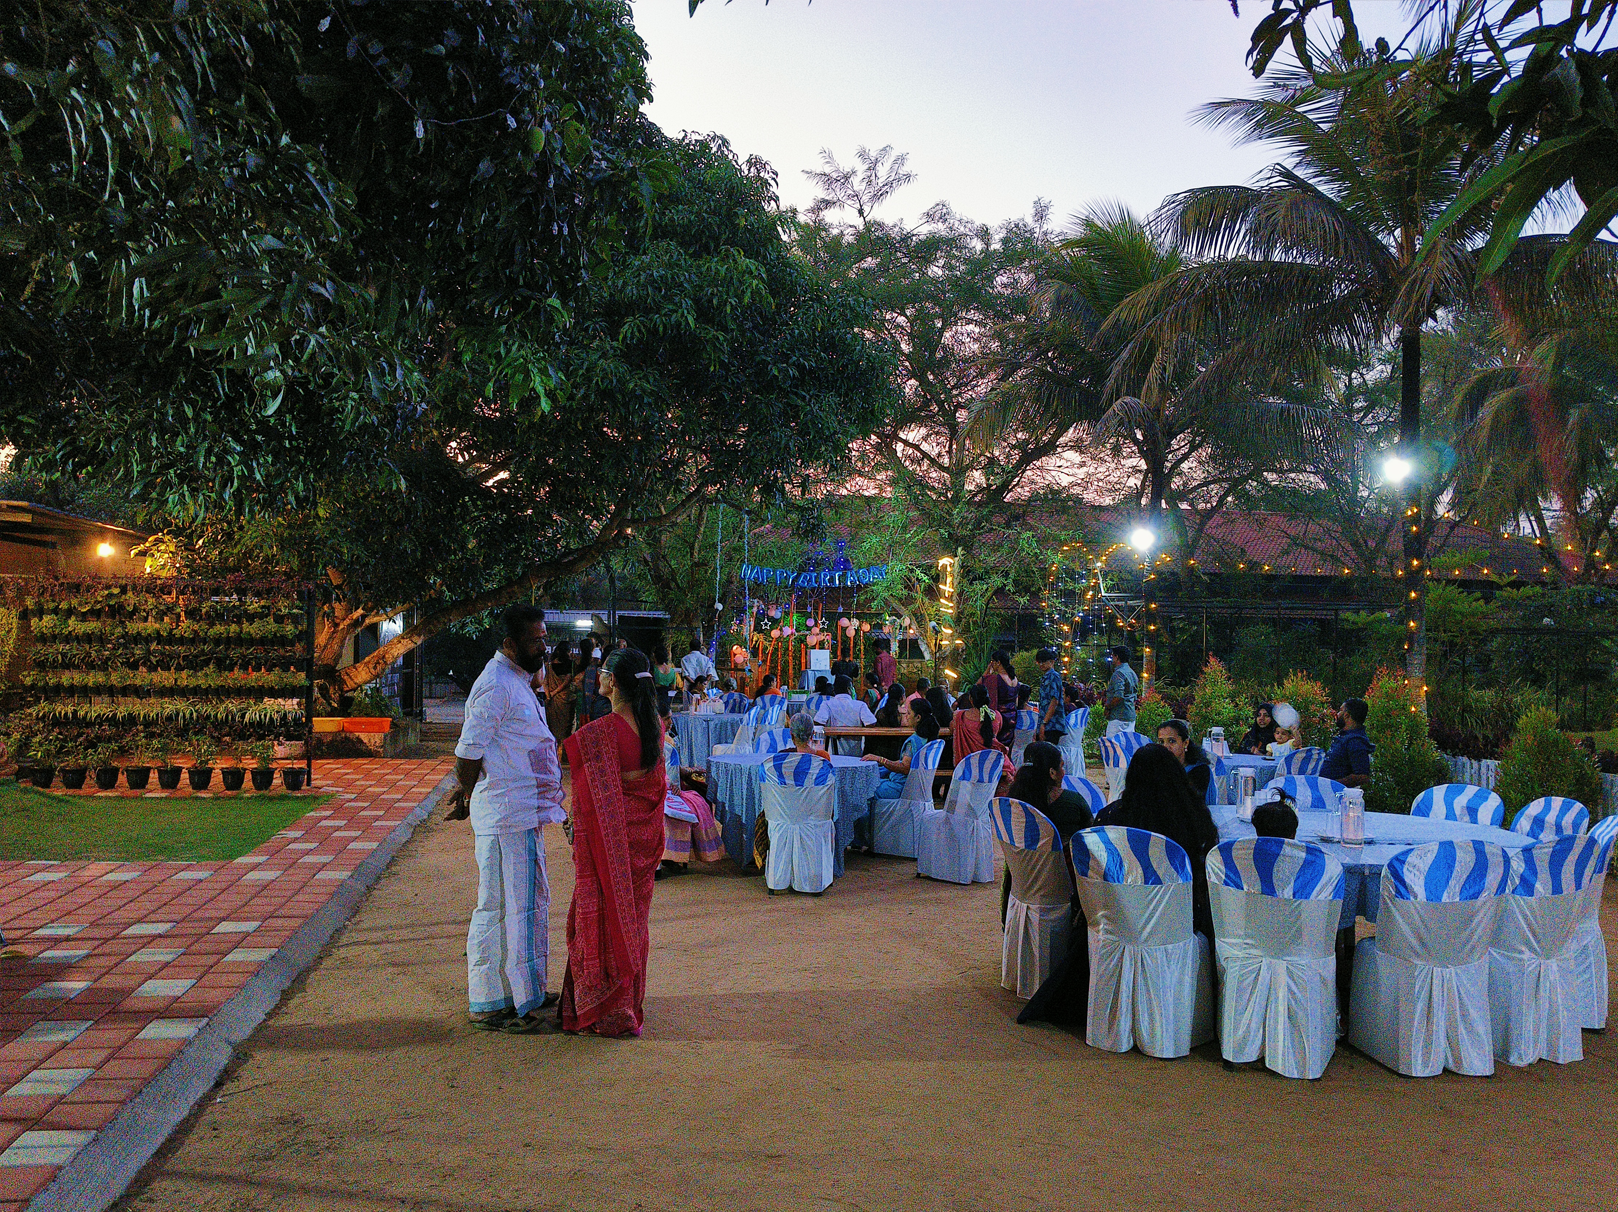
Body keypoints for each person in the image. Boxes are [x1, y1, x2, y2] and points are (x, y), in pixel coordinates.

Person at [448, 603, 565, 1033]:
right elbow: (468, 752)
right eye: (536, 641)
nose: (544, 647)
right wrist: (466, 792)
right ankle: (490, 1003)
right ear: (511, 643)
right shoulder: (495, 684)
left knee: (528, 906)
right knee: (498, 909)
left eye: (544, 638)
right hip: (504, 818)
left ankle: (526, 991)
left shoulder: (518, 679)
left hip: (523, 816)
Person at [555, 647, 670, 1037]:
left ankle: (603, 1010)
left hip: (608, 849)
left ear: (613, 681)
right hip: (641, 846)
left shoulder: (600, 734)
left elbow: (583, 795)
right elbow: (654, 789)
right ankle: (627, 1005)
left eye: (603, 671)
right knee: (633, 922)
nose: (598, 677)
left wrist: (574, 829)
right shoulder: (654, 725)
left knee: (599, 921)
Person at [1106, 743, 1219, 940]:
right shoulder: (1192, 817)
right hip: (1178, 920)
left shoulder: (1110, 818)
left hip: (1120, 919)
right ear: (1176, 775)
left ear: (1131, 777)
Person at [753, 712, 833, 866]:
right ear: (812, 734)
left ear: (791, 735)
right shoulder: (823, 758)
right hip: (814, 814)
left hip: (783, 815)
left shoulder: (780, 759)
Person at [1006, 740, 1092, 841]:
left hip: (1018, 851)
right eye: (1061, 766)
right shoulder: (1072, 801)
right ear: (1052, 773)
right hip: (1060, 851)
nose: (1063, 772)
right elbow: (1092, 834)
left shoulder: (1008, 802)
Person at [864, 698, 938, 798]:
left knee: (865, 788)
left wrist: (880, 759)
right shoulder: (928, 738)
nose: (906, 716)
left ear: (918, 717)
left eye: (909, 713)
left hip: (902, 788)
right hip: (918, 787)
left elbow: (905, 768)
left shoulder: (914, 741)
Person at [814, 673, 876, 755]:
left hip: (833, 752)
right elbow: (871, 722)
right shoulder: (860, 705)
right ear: (849, 689)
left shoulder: (827, 704)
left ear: (834, 690)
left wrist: (833, 730)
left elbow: (818, 722)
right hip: (855, 752)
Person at [1320, 697, 1374, 788]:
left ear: (1347, 715)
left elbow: (1363, 776)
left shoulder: (1355, 741)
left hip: (1334, 793)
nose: (1337, 714)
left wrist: (1332, 785)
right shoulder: (1345, 737)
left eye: (1340, 710)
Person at [1155, 717, 1213, 800]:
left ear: (1185, 743)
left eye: (1172, 741)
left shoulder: (1200, 771)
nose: (1166, 747)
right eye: (1161, 742)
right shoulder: (1157, 769)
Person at [952, 683, 1008, 761]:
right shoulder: (996, 716)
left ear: (970, 699)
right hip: (993, 762)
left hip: (969, 764)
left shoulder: (959, 716)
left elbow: (952, 728)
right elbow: (998, 731)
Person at [543, 638, 582, 749]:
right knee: (566, 727)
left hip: (552, 701)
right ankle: (563, 751)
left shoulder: (550, 665)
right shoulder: (570, 664)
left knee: (553, 725)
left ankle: (554, 749)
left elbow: (545, 681)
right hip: (566, 699)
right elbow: (567, 682)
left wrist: (549, 695)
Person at [980, 650, 1019, 747]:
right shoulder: (1014, 679)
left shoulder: (995, 678)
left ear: (998, 662)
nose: (991, 664)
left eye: (992, 661)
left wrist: (987, 672)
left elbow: (978, 687)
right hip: (1012, 717)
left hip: (1000, 718)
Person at [1102, 645, 1138, 737]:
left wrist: (1108, 707)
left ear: (1117, 657)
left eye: (1112, 656)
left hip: (1118, 718)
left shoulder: (1118, 673)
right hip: (1130, 716)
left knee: (1113, 744)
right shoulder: (1132, 673)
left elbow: (1119, 696)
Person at [1035, 648, 1065, 745]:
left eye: (1044, 661)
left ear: (1052, 662)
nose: (1041, 664)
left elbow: (1054, 701)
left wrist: (1044, 723)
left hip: (1052, 724)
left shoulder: (1053, 676)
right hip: (1047, 723)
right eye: (1039, 662)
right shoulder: (1045, 677)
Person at [652, 644, 681, 718]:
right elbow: (673, 687)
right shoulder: (672, 671)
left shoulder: (654, 669)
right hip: (666, 697)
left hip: (655, 696)